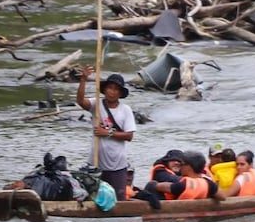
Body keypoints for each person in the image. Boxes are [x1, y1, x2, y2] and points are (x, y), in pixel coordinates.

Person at [76, 66, 136, 201]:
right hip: (96, 164)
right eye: (110, 88)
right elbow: (80, 101)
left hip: (117, 165)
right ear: (104, 89)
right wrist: (83, 80)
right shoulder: (96, 104)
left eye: (116, 89)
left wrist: (106, 133)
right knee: (94, 199)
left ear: (120, 93)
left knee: (117, 201)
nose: (112, 92)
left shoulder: (125, 110)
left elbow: (129, 136)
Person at [149, 151, 225, 201]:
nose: (180, 167)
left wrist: (153, 184)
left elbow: (159, 186)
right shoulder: (209, 183)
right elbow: (222, 197)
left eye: (181, 164)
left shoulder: (183, 185)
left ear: (188, 167)